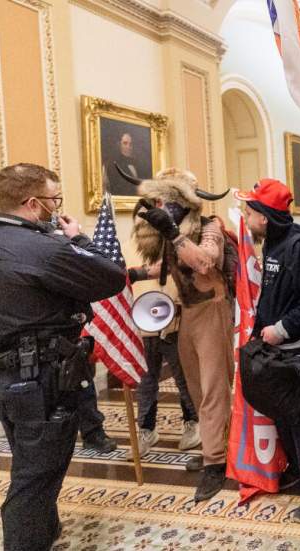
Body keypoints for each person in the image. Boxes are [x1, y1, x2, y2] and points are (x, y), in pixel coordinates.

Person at [0, 163, 126, 550]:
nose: (58, 208)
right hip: (43, 381)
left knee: (30, 457)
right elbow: (111, 277)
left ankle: (46, 528)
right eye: (55, 200)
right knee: (34, 478)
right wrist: (80, 239)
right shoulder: (48, 249)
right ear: (34, 204)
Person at [123, 166, 235, 502]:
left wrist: (172, 232)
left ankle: (216, 463)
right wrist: (128, 273)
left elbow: (205, 262)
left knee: (214, 388)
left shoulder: (209, 225)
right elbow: (171, 265)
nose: (163, 204)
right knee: (197, 388)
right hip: (187, 314)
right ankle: (217, 447)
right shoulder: (178, 231)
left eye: (169, 198)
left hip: (213, 311)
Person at [235, 179, 300, 523]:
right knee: (286, 414)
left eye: (249, 212)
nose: (246, 217)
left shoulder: (299, 246)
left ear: (264, 216)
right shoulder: (274, 243)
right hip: (280, 352)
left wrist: (280, 330)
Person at [126, 264, 201, 463]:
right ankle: (147, 429)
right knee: (145, 382)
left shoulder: (174, 247)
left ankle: (193, 422)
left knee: (183, 378)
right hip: (142, 325)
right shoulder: (130, 246)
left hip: (174, 325)